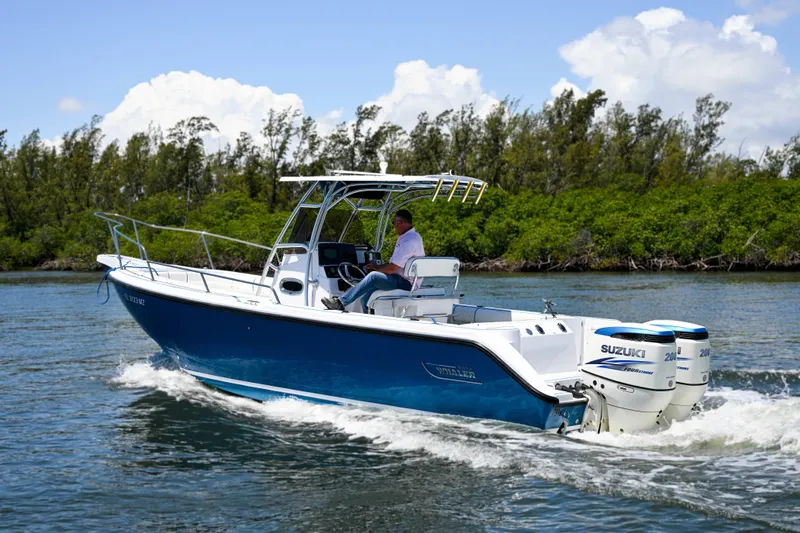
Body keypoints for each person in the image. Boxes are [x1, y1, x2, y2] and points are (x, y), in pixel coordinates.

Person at [321, 209, 424, 312]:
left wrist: (376, 267)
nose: (394, 227)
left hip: (406, 283)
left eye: (393, 223)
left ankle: (340, 303)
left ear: (399, 223)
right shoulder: (413, 237)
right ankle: (371, 323)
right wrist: (378, 267)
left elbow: (392, 268)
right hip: (403, 280)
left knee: (373, 276)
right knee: (365, 299)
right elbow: (395, 266)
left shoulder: (409, 241)